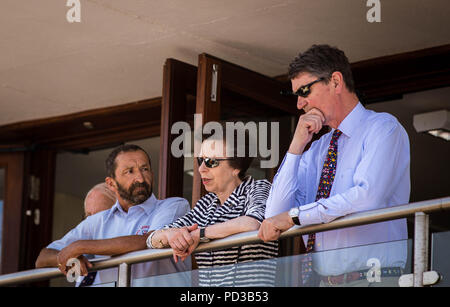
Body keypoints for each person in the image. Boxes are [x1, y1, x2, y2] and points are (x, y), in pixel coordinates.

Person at [258, 44, 410, 287]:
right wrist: (296, 145)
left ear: (336, 82)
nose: (300, 104)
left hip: (375, 279)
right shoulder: (317, 149)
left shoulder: (383, 128)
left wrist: (296, 217)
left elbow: (367, 198)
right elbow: (275, 215)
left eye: (304, 91)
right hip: (325, 282)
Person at [54, 131, 279, 287]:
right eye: (200, 160)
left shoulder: (257, 187)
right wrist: (172, 234)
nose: (201, 168)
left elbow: (252, 223)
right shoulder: (206, 204)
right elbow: (153, 240)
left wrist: (197, 234)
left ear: (236, 166)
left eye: (211, 162)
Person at [35, 144, 191, 286]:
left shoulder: (173, 206)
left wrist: (79, 246)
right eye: (129, 171)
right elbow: (42, 259)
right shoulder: (99, 221)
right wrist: (66, 257)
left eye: (145, 169)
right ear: (111, 183)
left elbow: (151, 240)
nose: (140, 178)